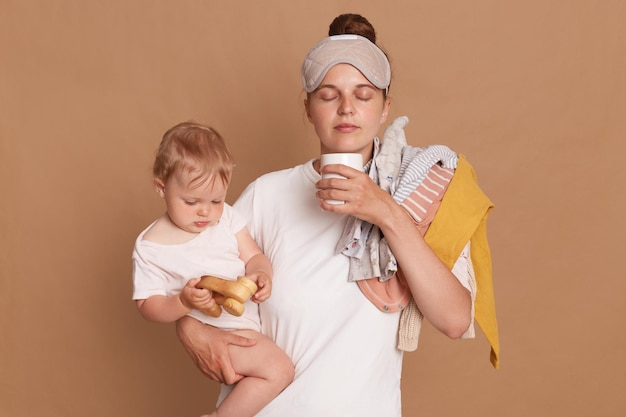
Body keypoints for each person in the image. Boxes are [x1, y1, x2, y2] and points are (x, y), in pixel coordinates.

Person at [177, 14, 500, 417]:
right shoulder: (267, 195)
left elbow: (454, 320)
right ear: (308, 108)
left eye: (363, 96)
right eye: (329, 95)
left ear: (385, 109)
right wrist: (188, 329)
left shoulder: (418, 193)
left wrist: (385, 211)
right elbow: (192, 282)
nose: (347, 108)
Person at [132, 122, 294, 417]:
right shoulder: (151, 246)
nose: (205, 212)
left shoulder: (227, 219)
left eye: (216, 200)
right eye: (191, 201)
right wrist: (182, 302)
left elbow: (254, 256)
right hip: (216, 331)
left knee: (266, 385)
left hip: (245, 325)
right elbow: (147, 305)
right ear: (161, 187)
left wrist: (261, 274)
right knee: (279, 370)